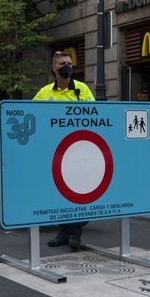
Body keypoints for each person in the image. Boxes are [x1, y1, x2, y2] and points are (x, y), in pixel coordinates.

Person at [33, 50, 94, 250]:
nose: (66, 66)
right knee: (60, 194)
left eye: (69, 63)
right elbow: (31, 114)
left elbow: (95, 116)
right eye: (62, 64)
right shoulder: (44, 93)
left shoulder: (82, 90)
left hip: (78, 151)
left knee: (76, 193)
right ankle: (65, 231)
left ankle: (74, 234)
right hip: (55, 153)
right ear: (54, 68)